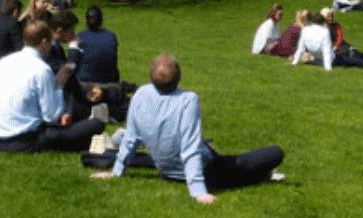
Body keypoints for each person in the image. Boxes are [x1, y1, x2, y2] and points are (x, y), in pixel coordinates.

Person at [91, 52, 284, 203]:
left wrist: (117, 171)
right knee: (274, 154)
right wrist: (198, 191)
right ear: (178, 77)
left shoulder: (141, 94)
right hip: (206, 171)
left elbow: (131, 139)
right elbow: (189, 147)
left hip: (167, 171)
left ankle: (257, 174)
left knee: (233, 162)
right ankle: (259, 174)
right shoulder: (187, 100)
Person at [0, 20, 107, 153]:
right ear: (44, 42)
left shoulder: (3, 62)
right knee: (96, 124)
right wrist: (59, 88)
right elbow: (51, 116)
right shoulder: (41, 69)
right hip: (26, 140)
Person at [289, 11, 363, 70]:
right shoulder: (324, 31)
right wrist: (328, 67)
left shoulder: (305, 30)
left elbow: (300, 48)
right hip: (329, 58)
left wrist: (295, 62)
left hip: (316, 58)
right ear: (322, 22)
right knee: (352, 61)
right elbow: (326, 50)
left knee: (349, 58)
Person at [73, 4, 120, 84]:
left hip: (84, 84)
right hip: (109, 83)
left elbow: (73, 63)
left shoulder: (79, 37)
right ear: (101, 20)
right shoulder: (111, 36)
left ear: (86, 21)